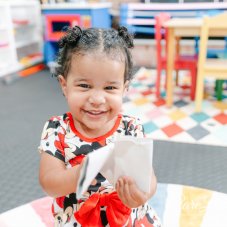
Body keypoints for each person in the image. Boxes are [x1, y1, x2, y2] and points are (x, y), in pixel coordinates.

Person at [38, 25, 161, 227]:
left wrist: (143, 193)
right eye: (84, 86)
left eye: (110, 87)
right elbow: (49, 182)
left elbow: (148, 177)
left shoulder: (131, 127)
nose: (97, 99)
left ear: (125, 88)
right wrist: (80, 174)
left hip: (128, 219)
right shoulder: (57, 128)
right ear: (64, 85)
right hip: (78, 220)